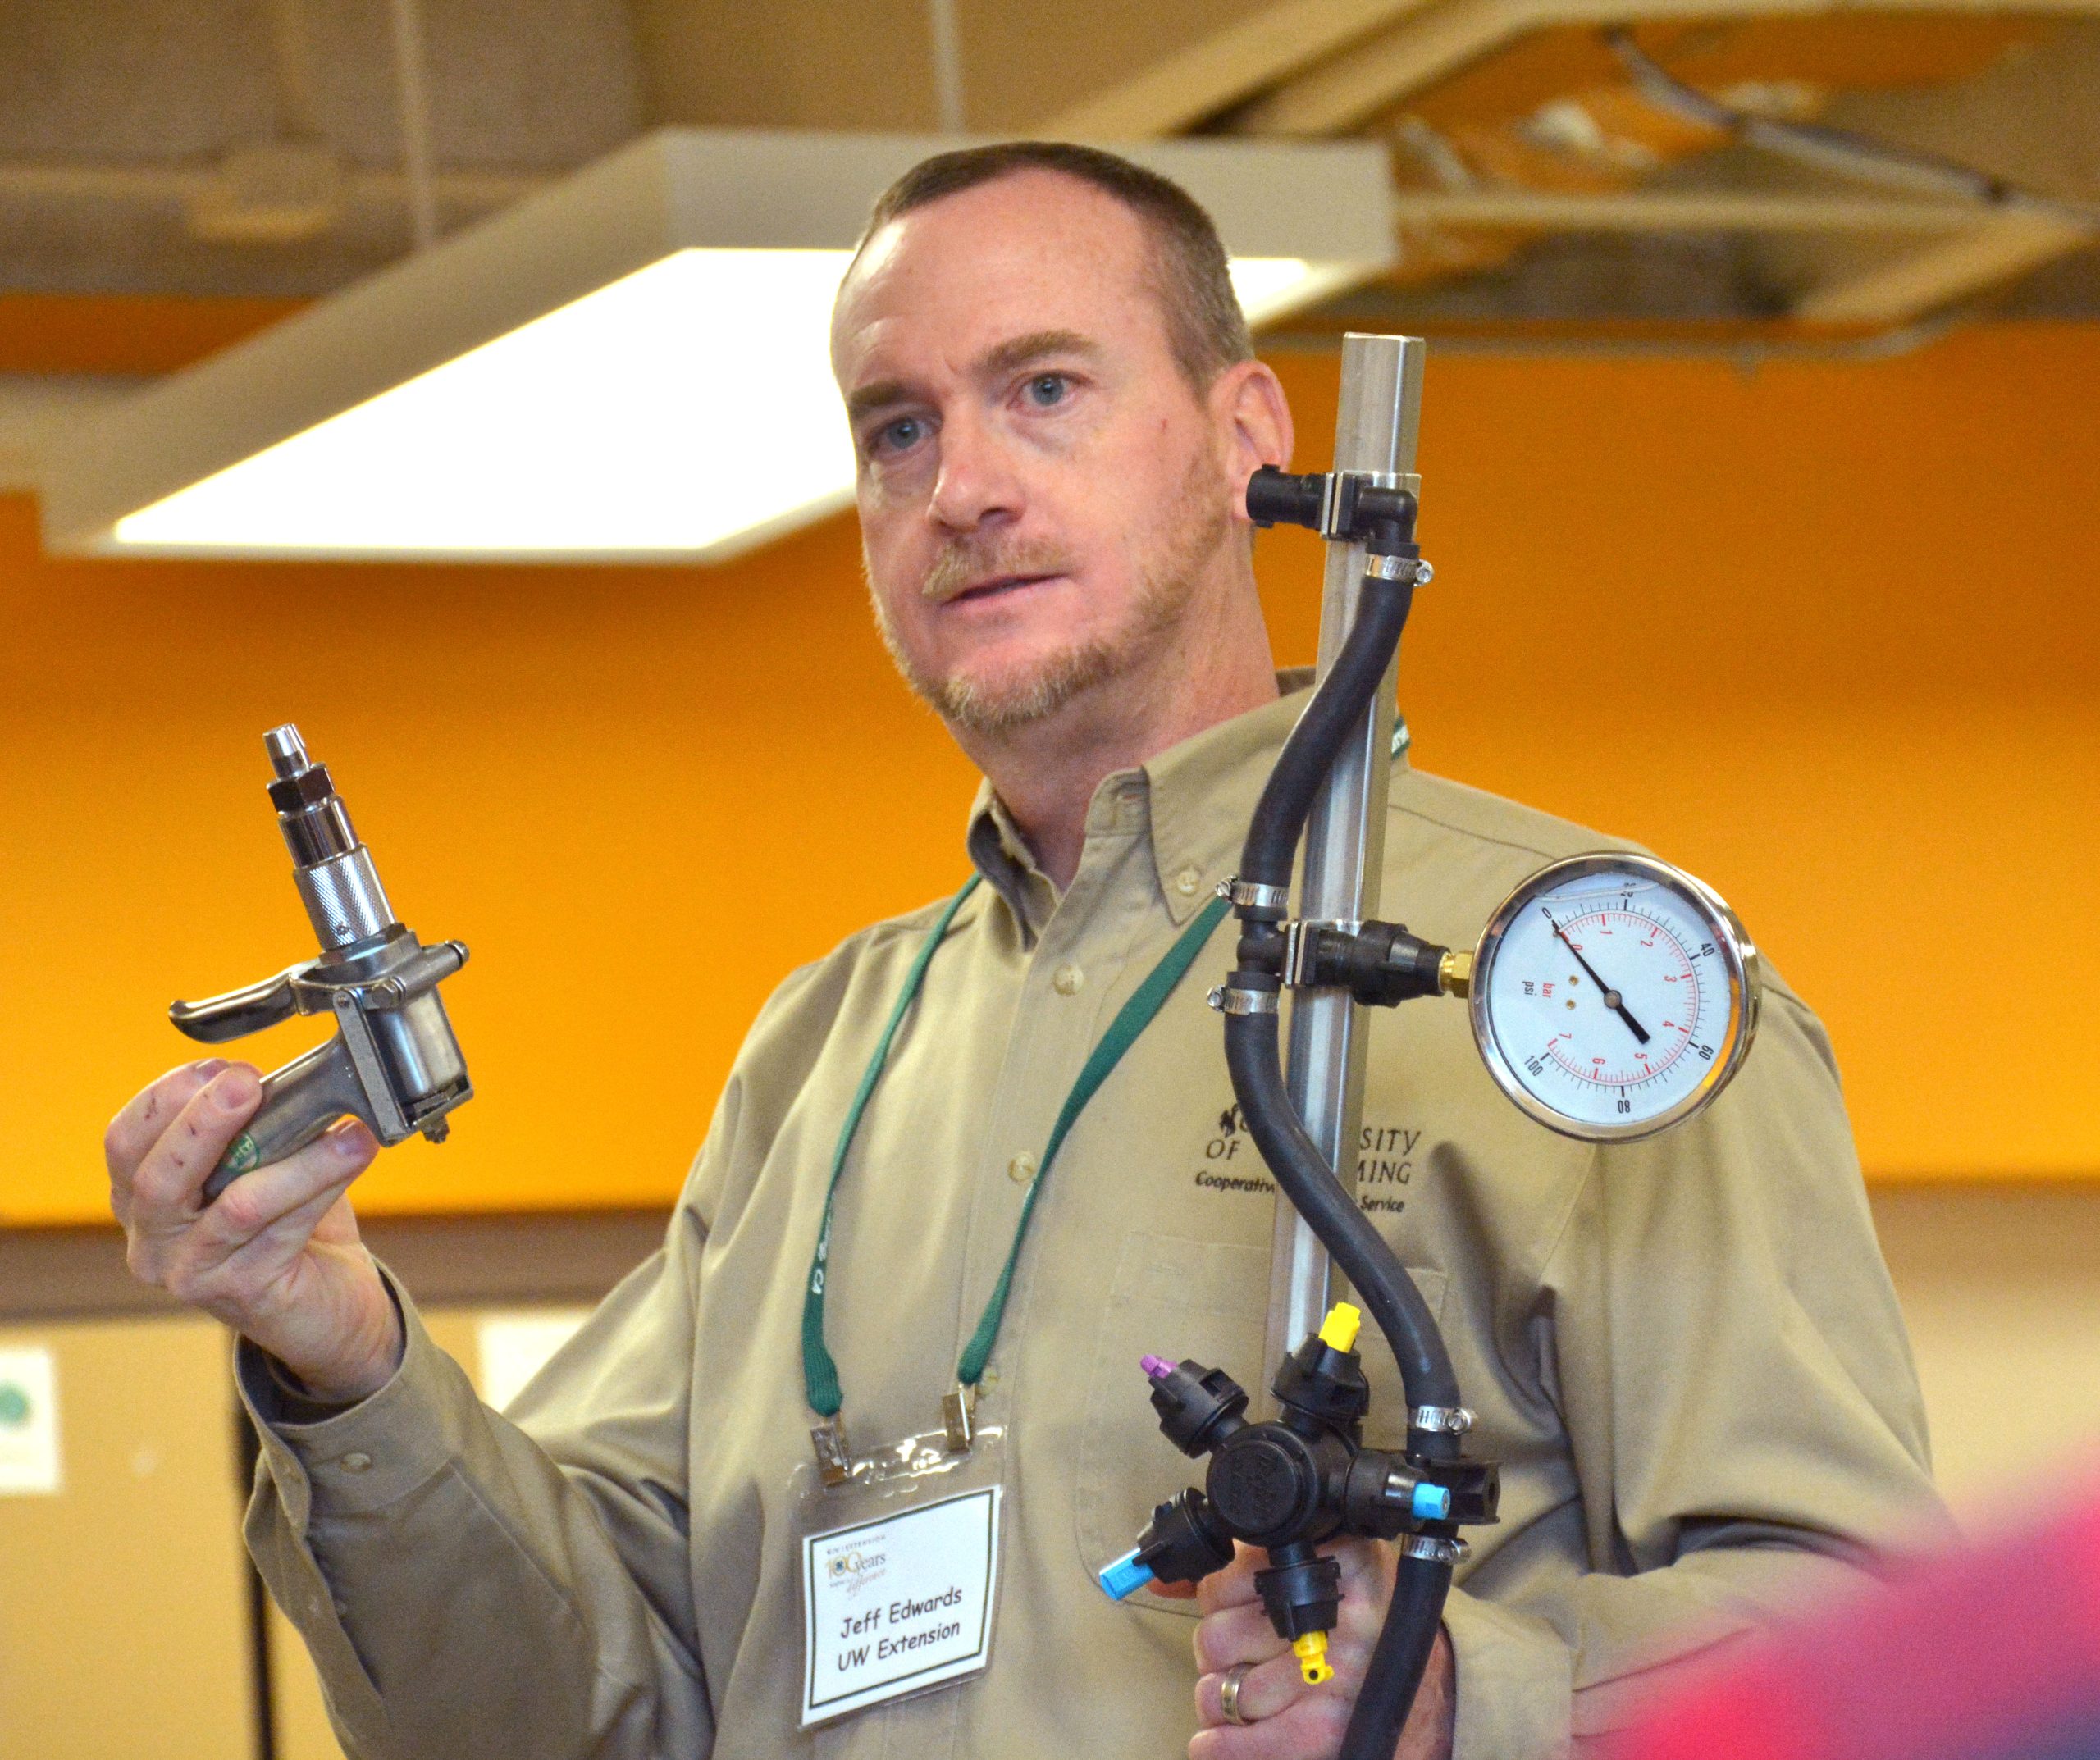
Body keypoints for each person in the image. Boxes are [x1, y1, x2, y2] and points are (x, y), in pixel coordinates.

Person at [106, 142, 1952, 1760]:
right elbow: (559, 1703)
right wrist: (344, 1355)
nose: (959, 486)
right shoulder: (825, 1049)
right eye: (894, 426)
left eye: (1043, 388)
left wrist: (1465, 1692)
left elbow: (1888, 1659)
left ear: (1246, 439)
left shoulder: (1565, 976)